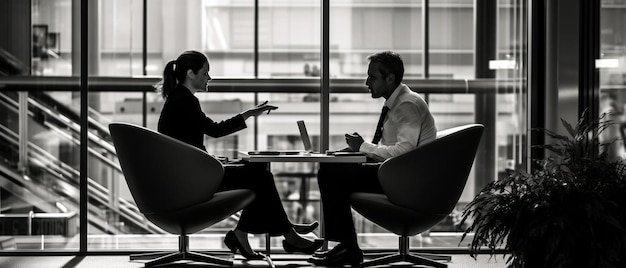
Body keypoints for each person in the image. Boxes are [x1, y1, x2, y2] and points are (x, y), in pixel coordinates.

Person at [156, 50, 323, 260]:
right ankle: (285, 233)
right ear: (191, 73)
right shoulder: (184, 100)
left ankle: (261, 232)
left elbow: (192, 144)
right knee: (260, 176)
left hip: (191, 175)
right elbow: (215, 130)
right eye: (206, 73)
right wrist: (248, 114)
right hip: (193, 181)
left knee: (258, 171)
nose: (209, 78)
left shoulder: (179, 98)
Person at [308, 51, 437, 266]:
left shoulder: (407, 105)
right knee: (332, 167)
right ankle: (346, 245)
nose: (367, 82)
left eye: (372, 77)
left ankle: (347, 247)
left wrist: (364, 148)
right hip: (399, 174)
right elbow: (393, 149)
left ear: (390, 79)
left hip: (407, 182)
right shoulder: (398, 104)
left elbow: (403, 154)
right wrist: (358, 152)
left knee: (330, 173)